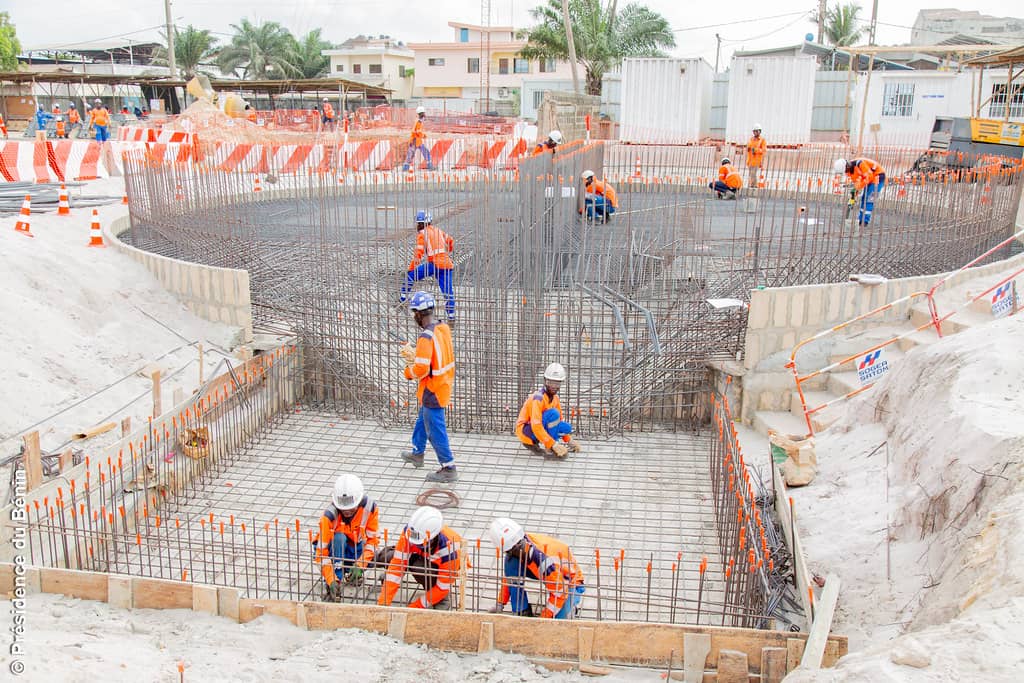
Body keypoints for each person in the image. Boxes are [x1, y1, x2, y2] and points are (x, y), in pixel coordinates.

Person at [399, 291, 458, 483]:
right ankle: (418, 452)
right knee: (422, 419)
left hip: (433, 389)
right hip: (443, 383)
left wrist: (409, 371)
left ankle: (448, 467)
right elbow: (436, 354)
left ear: (417, 314)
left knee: (435, 428)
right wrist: (418, 354)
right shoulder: (442, 328)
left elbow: (422, 368)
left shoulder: (425, 336)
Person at [486, 517, 585, 619]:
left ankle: (571, 606)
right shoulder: (520, 544)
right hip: (544, 572)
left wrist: (543, 618)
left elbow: (560, 593)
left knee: (559, 619)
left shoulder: (544, 561)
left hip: (568, 582)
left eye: (510, 551)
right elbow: (510, 578)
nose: (509, 554)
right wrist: (500, 603)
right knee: (511, 563)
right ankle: (521, 611)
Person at [378, 506, 462, 610]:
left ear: (433, 538)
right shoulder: (410, 533)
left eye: (419, 544)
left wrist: (414, 607)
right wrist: (383, 603)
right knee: (389, 558)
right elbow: (396, 567)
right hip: (422, 555)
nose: (413, 544)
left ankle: (441, 598)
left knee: (420, 568)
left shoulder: (450, 551)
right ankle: (374, 559)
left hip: (440, 568)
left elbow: (442, 587)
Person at [314, 474, 380, 601]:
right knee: (339, 538)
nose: (347, 511)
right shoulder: (329, 516)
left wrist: (360, 565)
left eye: (351, 507)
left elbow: (373, 541)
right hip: (334, 552)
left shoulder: (369, 508)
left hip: (354, 546)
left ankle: (352, 571)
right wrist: (331, 579)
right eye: (343, 508)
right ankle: (336, 581)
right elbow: (321, 554)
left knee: (374, 558)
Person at [515, 362, 581, 458]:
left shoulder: (555, 399)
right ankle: (550, 448)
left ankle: (551, 444)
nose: (554, 387)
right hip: (527, 430)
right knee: (553, 414)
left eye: (557, 383)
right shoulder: (538, 398)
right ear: (545, 381)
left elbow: (558, 422)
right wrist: (553, 444)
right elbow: (536, 425)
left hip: (539, 428)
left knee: (566, 427)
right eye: (551, 383)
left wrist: (568, 440)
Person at [401, 211, 455, 322]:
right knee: (448, 293)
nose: (417, 226)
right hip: (446, 264)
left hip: (434, 264)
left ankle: (402, 298)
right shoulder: (438, 231)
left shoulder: (422, 233)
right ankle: (451, 316)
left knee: (411, 276)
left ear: (421, 224)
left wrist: (411, 268)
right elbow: (450, 240)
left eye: (418, 223)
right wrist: (449, 250)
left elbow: (418, 254)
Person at [834, 158, 886, 226]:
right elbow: (857, 183)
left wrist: (858, 187)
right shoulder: (850, 172)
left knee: (869, 199)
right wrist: (853, 196)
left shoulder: (860, 164)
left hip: (878, 176)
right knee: (864, 198)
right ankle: (861, 220)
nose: (846, 172)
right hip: (869, 178)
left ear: (847, 166)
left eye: (845, 170)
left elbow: (869, 176)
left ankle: (864, 221)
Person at [403, 106, 433, 171]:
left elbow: (416, 131)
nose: (425, 114)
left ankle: (405, 167)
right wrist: (423, 135)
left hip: (416, 140)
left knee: (414, 154)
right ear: (422, 114)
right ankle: (405, 168)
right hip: (415, 140)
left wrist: (421, 135)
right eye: (424, 113)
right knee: (411, 154)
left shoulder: (419, 121)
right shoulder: (419, 122)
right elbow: (416, 131)